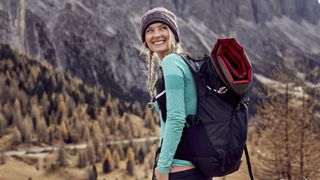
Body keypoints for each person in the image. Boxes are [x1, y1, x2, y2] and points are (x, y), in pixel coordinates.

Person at [140, 7, 211, 180]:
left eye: (163, 28)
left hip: (180, 168)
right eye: (150, 30)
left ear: (173, 33)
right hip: (195, 166)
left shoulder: (171, 62)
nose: (156, 35)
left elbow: (176, 118)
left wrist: (162, 168)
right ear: (145, 39)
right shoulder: (184, 62)